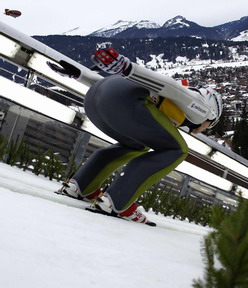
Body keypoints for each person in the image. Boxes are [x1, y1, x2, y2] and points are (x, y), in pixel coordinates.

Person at [48, 48, 223, 226]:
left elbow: (111, 86)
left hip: (96, 100)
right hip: (127, 102)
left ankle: (81, 186)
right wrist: (127, 67)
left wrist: (79, 75)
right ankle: (116, 203)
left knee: (136, 144)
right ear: (212, 114)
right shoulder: (202, 110)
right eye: (210, 125)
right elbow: (173, 87)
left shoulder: (172, 107)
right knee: (177, 150)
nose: (205, 128)